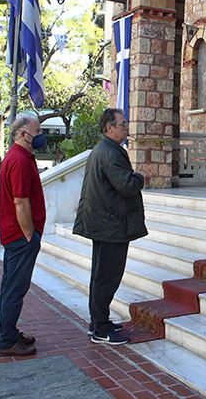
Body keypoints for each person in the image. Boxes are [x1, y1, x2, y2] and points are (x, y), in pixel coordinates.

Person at [74, 108, 147, 346]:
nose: (126, 127)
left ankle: (97, 322)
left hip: (105, 222)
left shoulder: (105, 149)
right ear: (109, 128)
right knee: (107, 276)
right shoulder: (110, 153)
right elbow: (125, 185)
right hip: (110, 224)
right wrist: (139, 178)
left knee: (101, 275)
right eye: (122, 124)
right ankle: (101, 328)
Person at [0, 114, 47, 356]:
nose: (40, 136)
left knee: (12, 287)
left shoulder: (20, 157)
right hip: (20, 237)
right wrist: (29, 234)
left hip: (16, 236)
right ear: (22, 134)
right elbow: (20, 201)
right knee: (15, 288)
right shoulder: (19, 160)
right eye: (36, 131)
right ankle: (6, 340)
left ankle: (9, 332)